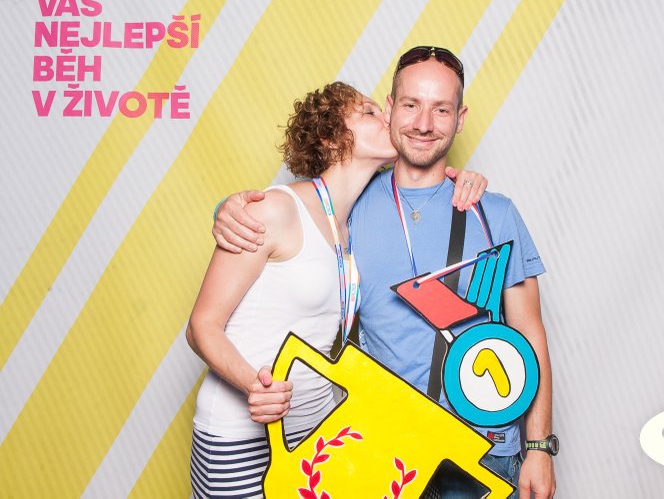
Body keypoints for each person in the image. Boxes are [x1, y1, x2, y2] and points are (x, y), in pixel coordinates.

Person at [214, 47, 556, 499]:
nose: (423, 123)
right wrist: (228, 210)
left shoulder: (493, 212)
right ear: (391, 109)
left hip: (482, 452)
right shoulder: (348, 209)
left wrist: (539, 447)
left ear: (460, 119)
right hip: (385, 446)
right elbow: (289, 218)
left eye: (441, 109)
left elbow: (530, 332)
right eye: (411, 105)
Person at [186, 80, 487, 498]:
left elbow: (425, 180)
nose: (386, 118)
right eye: (369, 112)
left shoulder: (354, 221)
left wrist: (464, 179)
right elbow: (201, 326)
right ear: (330, 138)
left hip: (313, 434)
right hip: (239, 433)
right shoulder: (275, 209)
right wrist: (252, 385)